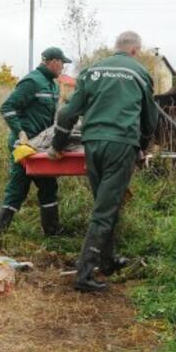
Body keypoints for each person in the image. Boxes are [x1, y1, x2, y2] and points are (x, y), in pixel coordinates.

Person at [50, 31, 158, 292]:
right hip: (121, 145)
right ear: (134, 50)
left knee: (105, 205)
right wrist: (142, 147)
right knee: (105, 211)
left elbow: (68, 113)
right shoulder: (140, 73)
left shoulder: (91, 71)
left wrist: (57, 145)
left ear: (116, 48)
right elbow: (150, 120)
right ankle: (84, 274)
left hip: (93, 144)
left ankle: (107, 262)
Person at [0, 47, 72, 236]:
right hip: (24, 146)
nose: (63, 68)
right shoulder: (32, 81)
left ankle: (52, 232)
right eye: (62, 64)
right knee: (18, 188)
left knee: (48, 186)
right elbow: (7, 108)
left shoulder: (52, 84)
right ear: (53, 62)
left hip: (41, 146)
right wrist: (19, 132)